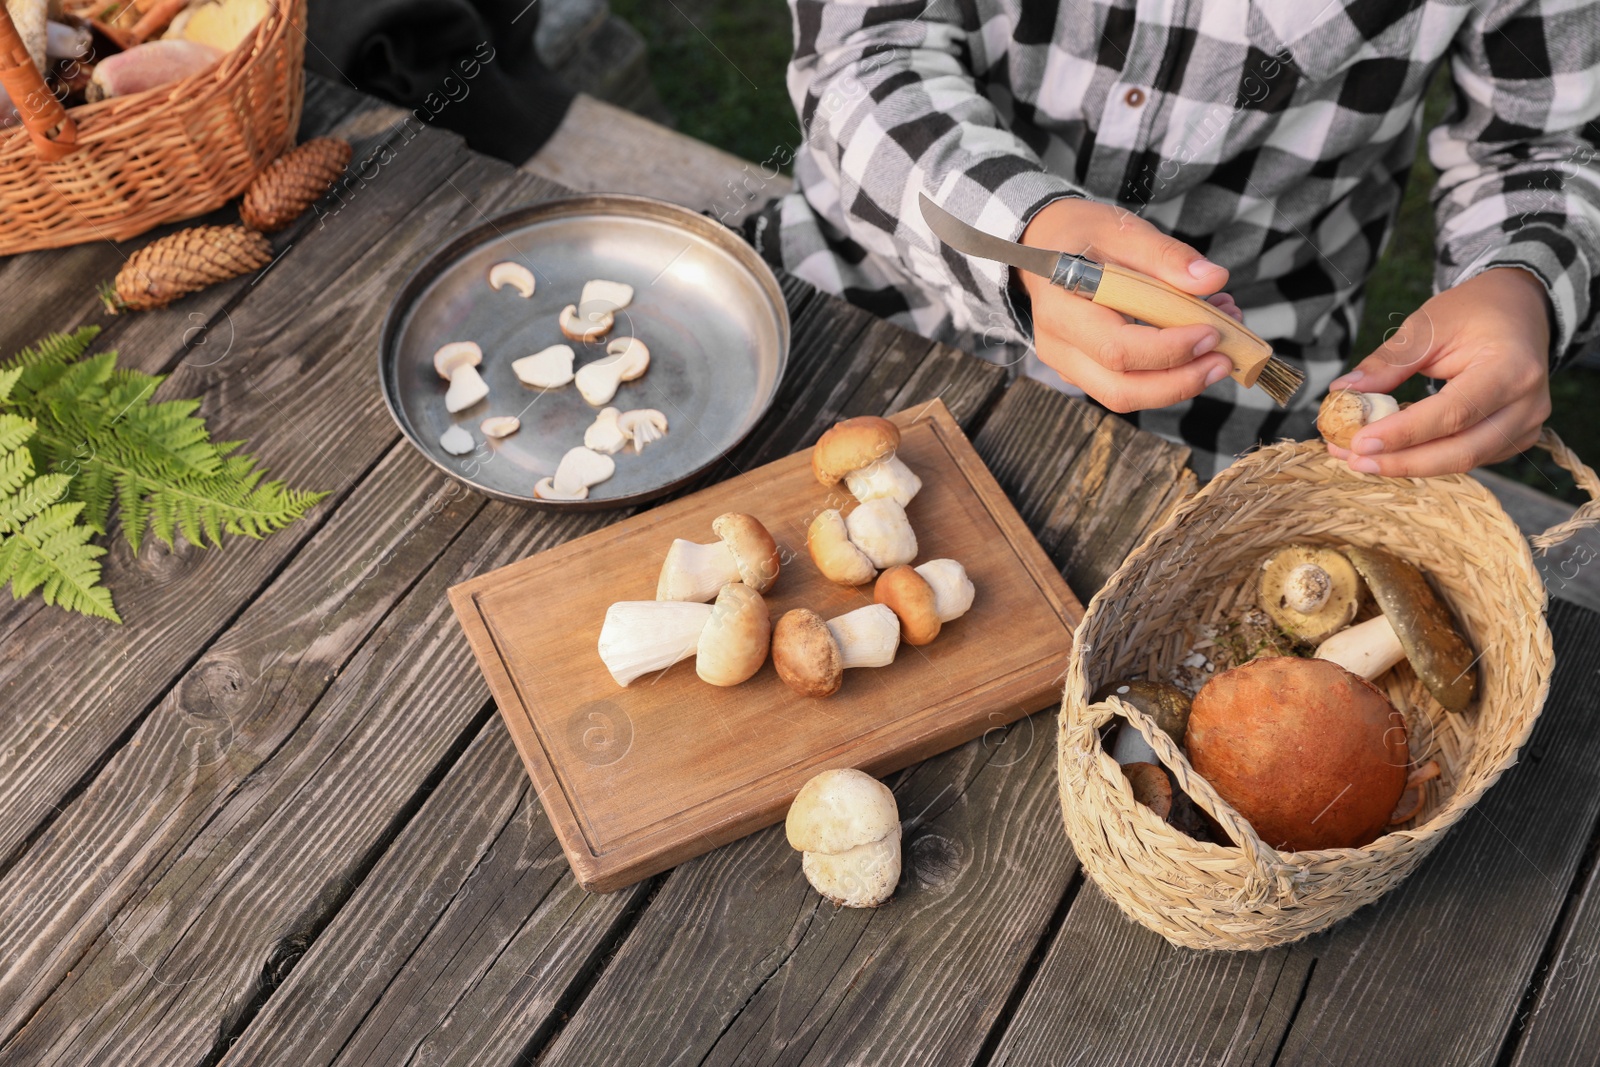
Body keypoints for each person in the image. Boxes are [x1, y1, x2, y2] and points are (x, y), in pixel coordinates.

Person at [752, 1, 1599, 478]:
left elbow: (1541, 150)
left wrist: (1523, 280)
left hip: (1226, 407)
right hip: (866, 290)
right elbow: (863, 46)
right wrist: (1022, 231)